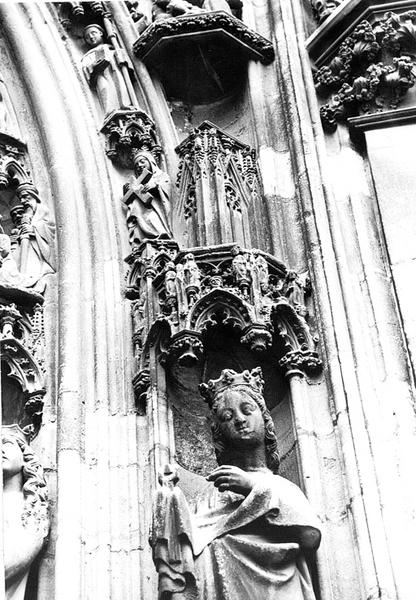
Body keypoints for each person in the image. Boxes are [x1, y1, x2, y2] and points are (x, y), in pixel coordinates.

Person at [151, 367, 321, 599]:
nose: (240, 420)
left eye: (247, 410)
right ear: (218, 432)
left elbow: (310, 536)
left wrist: (252, 487)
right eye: (227, 417)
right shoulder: (212, 493)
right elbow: (191, 547)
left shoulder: (280, 486)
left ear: (265, 419)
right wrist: (169, 500)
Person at [2, 425, 49, 600]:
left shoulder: (31, 504)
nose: (1, 449)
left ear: (25, 456)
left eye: (6, 443)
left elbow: (18, 557)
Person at [81, 24, 132, 116]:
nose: (91, 37)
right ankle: (110, 112)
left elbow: (126, 63)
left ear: (100, 33)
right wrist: (94, 67)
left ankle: (125, 105)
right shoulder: (89, 55)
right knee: (105, 90)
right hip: (101, 76)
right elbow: (87, 69)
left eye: (93, 33)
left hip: (115, 71)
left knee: (120, 86)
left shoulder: (112, 47)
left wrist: (120, 56)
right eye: (87, 37)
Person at [123, 150, 172, 245]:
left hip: (156, 208)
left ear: (150, 161)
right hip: (142, 212)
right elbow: (129, 197)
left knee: (153, 218)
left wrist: (156, 185)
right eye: (136, 164)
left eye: (142, 161)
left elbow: (166, 185)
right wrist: (128, 190)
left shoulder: (160, 176)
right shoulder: (138, 182)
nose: (139, 165)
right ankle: (143, 238)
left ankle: (161, 235)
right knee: (137, 209)